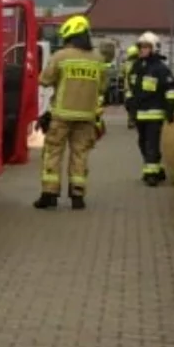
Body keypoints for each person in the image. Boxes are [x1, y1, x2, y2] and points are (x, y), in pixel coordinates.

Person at [34, 15, 108, 210]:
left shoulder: (61, 56)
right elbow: (103, 87)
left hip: (61, 115)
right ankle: (77, 195)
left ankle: (49, 194)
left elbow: (44, 80)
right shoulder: (98, 59)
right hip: (86, 117)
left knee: (53, 152)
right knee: (80, 154)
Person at [124, 31, 174, 186]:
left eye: (146, 47)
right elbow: (130, 87)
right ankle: (157, 169)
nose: (142, 50)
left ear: (154, 49)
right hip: (139, 113)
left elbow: (172, 90)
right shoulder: (136, 67)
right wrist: (129, 102)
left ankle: (151, 175)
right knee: (142, 143)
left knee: (151, 143)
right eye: (140, 47)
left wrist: (170, 110)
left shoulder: (160, 69)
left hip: (155, 113)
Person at [121, 45, 139, 128]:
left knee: (129, 105)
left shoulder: (126, 64)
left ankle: (131, 120)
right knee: (132, 105)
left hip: (129, 88)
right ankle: (133, 120)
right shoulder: (140, 63)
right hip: (135, 88)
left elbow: (122, 74)